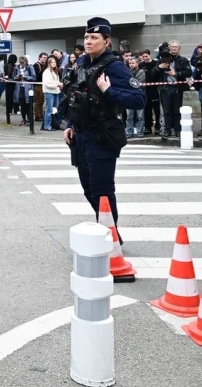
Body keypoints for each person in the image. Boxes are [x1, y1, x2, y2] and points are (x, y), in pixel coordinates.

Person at [61, 18, 146, 237]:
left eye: (94, 38)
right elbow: (76, 95)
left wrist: (109, 91)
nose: (88, 41)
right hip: (81, 135)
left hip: (102, 135)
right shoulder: (83, 62)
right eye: (86, 37)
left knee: (102, 190)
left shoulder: (114, 66)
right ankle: (107, 231)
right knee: (89, 189)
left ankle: (112, 238)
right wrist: (71, 124)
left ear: (106, 41)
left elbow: (139, 99)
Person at [158, 40, 192, 138]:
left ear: (179, 49)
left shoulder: (183, 60)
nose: (174, 48)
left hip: (177, 87)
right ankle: (167, 129)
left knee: (177, 110)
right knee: (167, 110)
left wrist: (176, 74)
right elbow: (154, 73)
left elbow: (189, 72)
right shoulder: (162, 60)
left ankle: (177, 129)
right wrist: (159, 67)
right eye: (172, 47)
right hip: (166, 88)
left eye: (176, 47)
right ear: (169, 48)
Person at [124, 57, 145, 138]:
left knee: (140, 116)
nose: (131, 65)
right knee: (129, 116)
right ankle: (129, 132)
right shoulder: (127, 72)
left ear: (137, 63)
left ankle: (139, 132)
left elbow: (138, 83)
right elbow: (125, 82)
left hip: (139, 96)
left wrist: (130, 83)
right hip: (129, 96)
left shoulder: (141, 72)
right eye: (130, 63)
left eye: (133, 63)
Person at [13, 55, 35, 126]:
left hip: (28, 88)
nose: (22, 65)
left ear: (26, 62)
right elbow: (13, 77)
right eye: (21, 63)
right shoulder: (17, 68)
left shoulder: (30, 67)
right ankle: (24, 119)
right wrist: (16, 77)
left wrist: (25, 77)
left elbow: (34, 77)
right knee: (22, 105)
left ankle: (29, 119)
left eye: (23, 63)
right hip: (20, 88)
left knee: (28, 104)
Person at [42, 55, 62, 132]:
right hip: (49, 92)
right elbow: (47, 84)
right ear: (49, 63)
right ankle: (47, 126)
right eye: (52, 62)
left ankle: (54, 124)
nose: (54, 63)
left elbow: (56, 81)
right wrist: (57, 85)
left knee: (55, 109)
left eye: (55, 62)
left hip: (56, 91)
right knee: (49, 109)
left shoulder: (55, 71)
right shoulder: (46, 72)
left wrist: (60, 84)